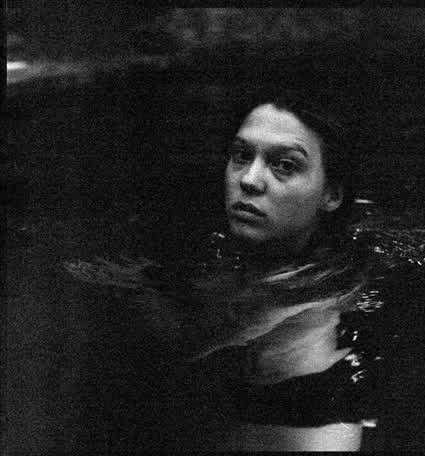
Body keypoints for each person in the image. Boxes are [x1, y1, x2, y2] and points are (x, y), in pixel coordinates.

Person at [65, 89, 381, 451]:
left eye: (285, 165)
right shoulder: (265, 261)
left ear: (332, 194)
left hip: (307, 419)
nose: (249, 179)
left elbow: (183, 341)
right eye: (242, 155)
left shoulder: (311, 284)